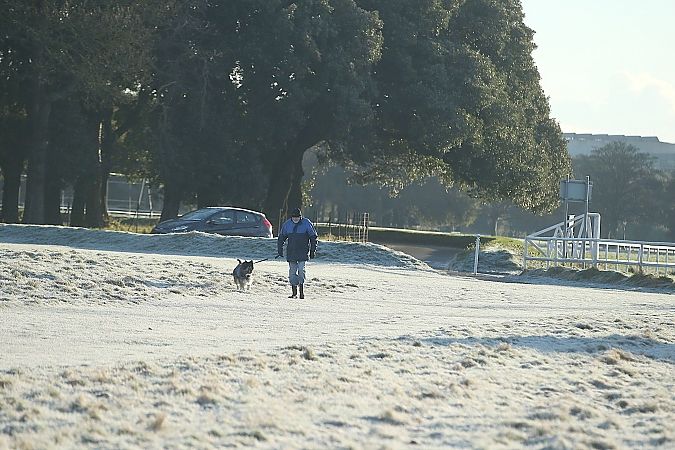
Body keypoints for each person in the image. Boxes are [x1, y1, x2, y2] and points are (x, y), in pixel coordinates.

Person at [277, 207, 318, 299]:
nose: (295, 219)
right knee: (292, 273)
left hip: (303, 252)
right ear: (291, 217)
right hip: (291, 252)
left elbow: (313, 237)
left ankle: (301, 292)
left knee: (301, 270)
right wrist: (280, 249)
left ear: (300, 217)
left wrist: (312, 250)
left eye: (297, 217)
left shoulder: (306, 223)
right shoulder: (287, 224)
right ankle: (294, 292)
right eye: (294, 217)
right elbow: (281, 238)